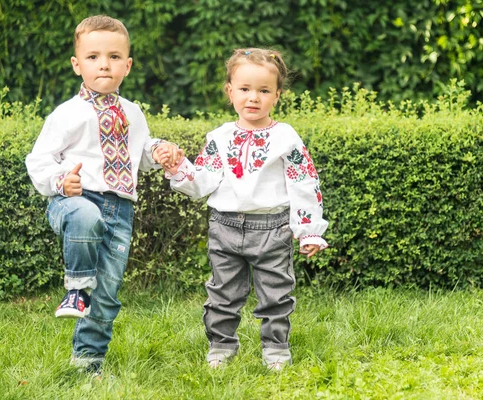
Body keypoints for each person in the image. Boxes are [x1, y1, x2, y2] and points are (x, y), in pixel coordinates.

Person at [25, 15, 182, 374]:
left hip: (120, 211)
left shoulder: (133, 112)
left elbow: (140, 155)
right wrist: (61, 181)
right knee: (86, 215)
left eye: (113, 57)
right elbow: (39, 160)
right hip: (73, 202)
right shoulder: (67, 113)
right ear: (77, 64)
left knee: (108, 295)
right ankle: (77, 288)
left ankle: (87, 364)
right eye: (93, 56)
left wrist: (159, 151)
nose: (104, 64)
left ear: (127, 65)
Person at [165, 48, 328, 371]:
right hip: (224, 227)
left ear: (277, 95)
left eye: (264, 91)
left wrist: (308, 230)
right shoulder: (220, 138)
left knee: (276, 294)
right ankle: (221, 346)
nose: (253, 98)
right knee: (222, 293)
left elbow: (303, 182)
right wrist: (178, 167)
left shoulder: (285, 137)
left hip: (272, 228)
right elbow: (202, 181)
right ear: (230, 91)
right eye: (244, 89)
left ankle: (276, 349)